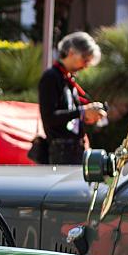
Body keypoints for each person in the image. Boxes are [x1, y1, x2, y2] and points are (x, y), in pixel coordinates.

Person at [36, 32, 106, 166]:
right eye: (85, 59)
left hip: (74, 149)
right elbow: (49, 117)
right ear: (71, 52)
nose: (86, 65)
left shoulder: (67, 78)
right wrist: (83, 112)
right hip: (61, 151)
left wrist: (87, 115)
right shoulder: (51, 77)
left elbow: (68, 114)